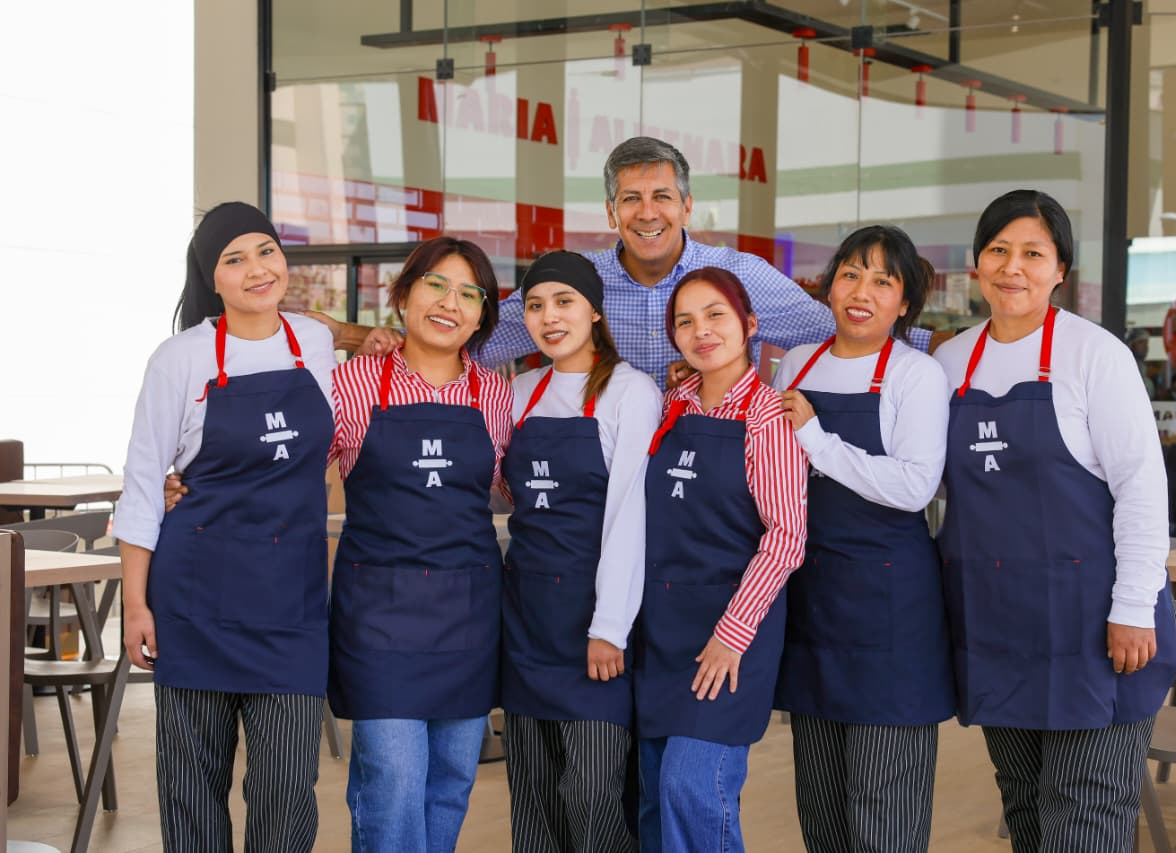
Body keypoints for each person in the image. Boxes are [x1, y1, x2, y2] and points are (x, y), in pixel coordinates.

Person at [932, 189, 1176, 852]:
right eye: (999, 250)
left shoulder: (1096, 356)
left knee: (1085, 818)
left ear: (1060, 269)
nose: (1014, 267)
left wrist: (1134, 605)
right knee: (1026, 808)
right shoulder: (948, 363)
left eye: (1033, 253)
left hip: (1093, 626)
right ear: (976, 264)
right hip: (996, 626)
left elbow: (1142, 489)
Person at [312, 137, 941, 381]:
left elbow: (842, 328)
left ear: (687, 206)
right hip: (604, 475)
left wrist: (961, 347)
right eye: (631, 200)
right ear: (611, 212)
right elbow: (471, 336)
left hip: (712, 476)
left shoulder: (736, 276)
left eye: (662, 197)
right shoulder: (579, 285)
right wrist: (352, 335)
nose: (648, 213)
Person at [115, 202, 337, 851]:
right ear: (212, 278)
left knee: (288, 789)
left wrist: (372, 338)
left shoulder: (314, 342)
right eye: (233, 259)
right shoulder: (178, 359)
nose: (256, 269)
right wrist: (134, 604)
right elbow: (141, 485)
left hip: (292, 603)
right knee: (191, 787)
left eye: (265, 250)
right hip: (194, 597)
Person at [326, 237, 511, 852]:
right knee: (393, 780)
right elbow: (286, 472)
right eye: (435, 285)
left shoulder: (497, 395)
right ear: (402, 296)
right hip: (379, 612)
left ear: (482, 315)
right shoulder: (350, 386)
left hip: (468, 609)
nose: (449, 303)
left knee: (452, 781)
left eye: (468, 294)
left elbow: (518, 487)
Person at [772, 226, 953, 852]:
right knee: (819, 802)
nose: (862, 292)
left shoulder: (917, 375)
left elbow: (913, 487)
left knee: (884, 806)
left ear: (905, 304)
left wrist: (819, 441)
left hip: (890, 612)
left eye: (883, 281)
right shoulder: (798, 364)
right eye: (850, 273)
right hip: (813, 602)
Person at [637, 267, 807, 853]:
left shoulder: (768, 415)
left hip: (731, 632)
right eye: (684, 321)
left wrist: (731, 636)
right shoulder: (670, 404)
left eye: (716, 315)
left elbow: (786, 536)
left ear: (750, 325)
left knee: (694, 788)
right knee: (656, 796)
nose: (700, 331)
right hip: (660, 628)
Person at [501, 251, 661, 853]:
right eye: (536, 305)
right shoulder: (516, 392)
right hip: (525, 618)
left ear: (594, 310)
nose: (549, 317)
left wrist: (610, 627)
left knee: (592, 795)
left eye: (564, 302)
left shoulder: (629, 391)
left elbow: (629, 517)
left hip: (593, 621)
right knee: (534, 799)